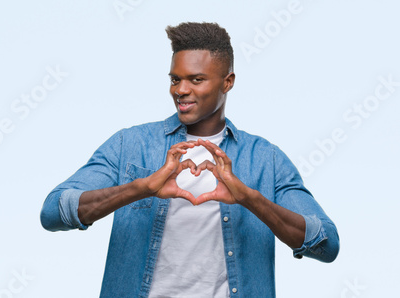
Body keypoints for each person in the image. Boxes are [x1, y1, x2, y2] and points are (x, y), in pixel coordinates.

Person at [40, 22, 339, 297]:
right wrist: (140, 188)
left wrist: (250, 198)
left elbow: (326, 244)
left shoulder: (265, 159)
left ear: (228, 81)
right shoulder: (129, 144)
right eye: (175, 79)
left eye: (196, 79)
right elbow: (53, 212)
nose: (181, 90)